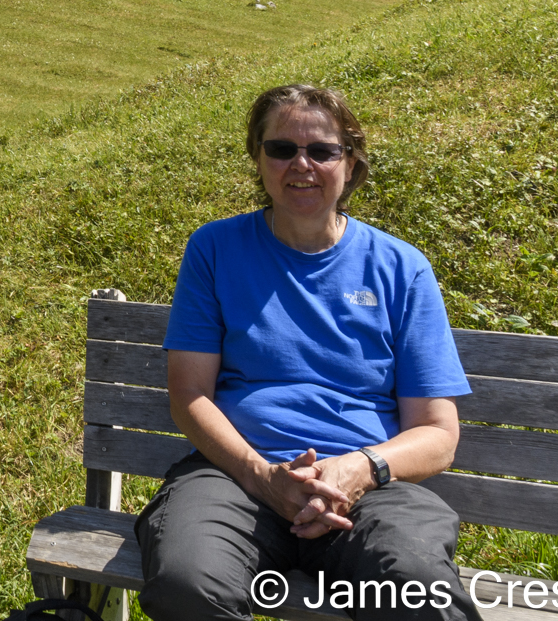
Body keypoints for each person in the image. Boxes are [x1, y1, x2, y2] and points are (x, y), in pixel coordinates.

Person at [137, 83, 480, 621]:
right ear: (259, 156)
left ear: (350, 162)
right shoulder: (215, 249)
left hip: (368, 493)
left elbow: (438, 434)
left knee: (417, 591)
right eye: (282, 149)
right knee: (187, 583)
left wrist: (358, 470)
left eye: (322, 150)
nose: (302, 164)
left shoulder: (402, 268)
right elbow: (189, 395)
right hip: (233, 479)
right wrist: (261, 476)